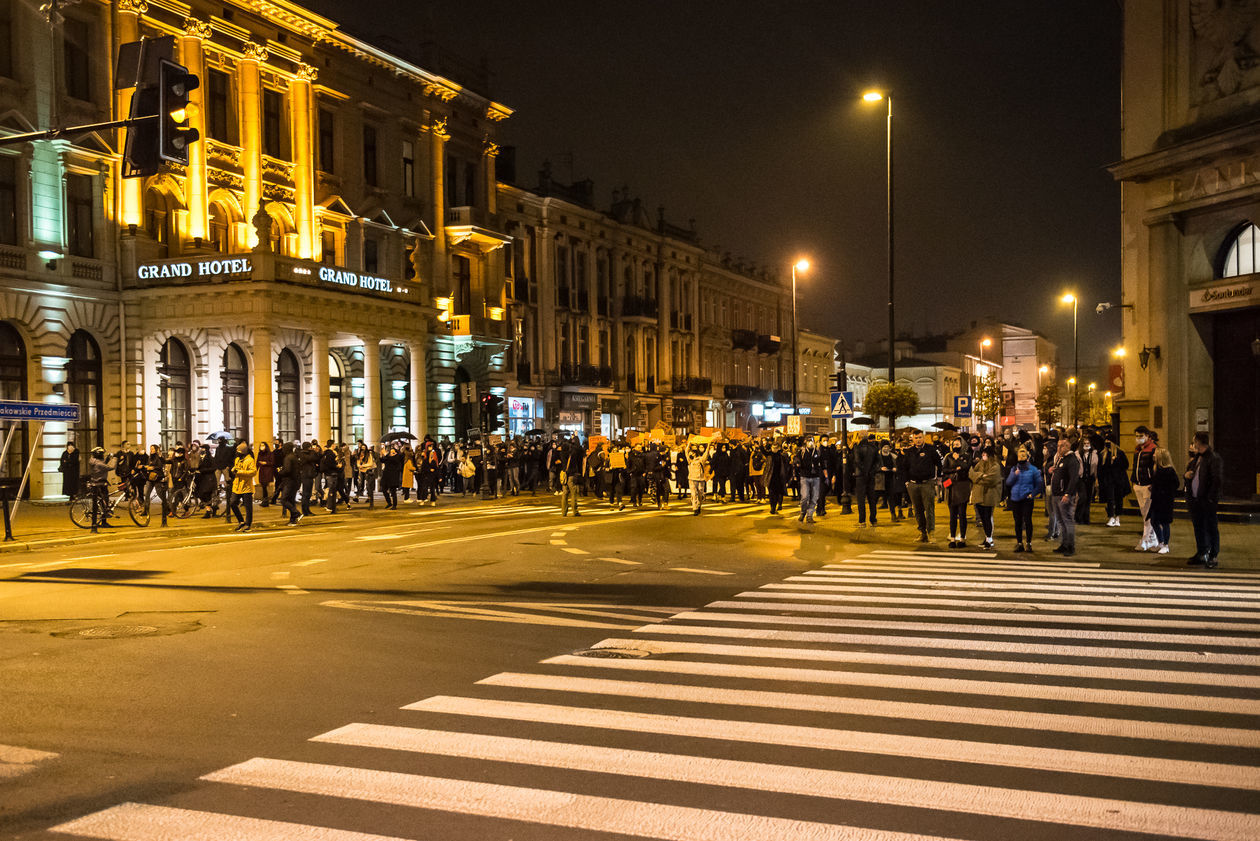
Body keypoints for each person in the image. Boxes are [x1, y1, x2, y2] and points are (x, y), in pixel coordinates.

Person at [1185, 431, 1223, 568]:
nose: (1193, 444)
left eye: (1194, 441)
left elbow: (1216, 480)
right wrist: (1187, 476)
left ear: (1199, 442)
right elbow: (1192, 474)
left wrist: (1210, 499)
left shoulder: (1213, 458)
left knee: (1211, 527)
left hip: (1206, 501)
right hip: (1196, 500)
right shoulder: (1197, 458)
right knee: (1199, 528)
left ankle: (1213, 555)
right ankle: (1201, 552)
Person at [904, 429, 941, 542]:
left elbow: (939, 463)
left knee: (929, 509)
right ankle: (922, 532)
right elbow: (904, 467)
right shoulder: (909, 451)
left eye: (920, 437)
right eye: (916, 438)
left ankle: (931, 533)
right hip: (913, 485)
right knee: (917, 510)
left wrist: (938, 478)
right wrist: (907, 481)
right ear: (912, 439)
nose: (918, 440)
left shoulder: (931, 449)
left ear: (923, 438)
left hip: (927, 483)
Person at [1048, 437, 1081, 556]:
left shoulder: (1072, 460)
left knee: (1067, 521)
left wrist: (1067, 493)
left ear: (1068, 447)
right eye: (1058, 446)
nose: (1059, 448)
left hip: (1064, 495)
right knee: (1061, 521)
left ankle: (1070, 546)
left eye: (1061, 446)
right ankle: (1064, 543)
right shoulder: (1061, 459)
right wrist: (1052, 470)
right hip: (1056, 494)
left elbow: (1073, 478)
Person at [1005, 446, 1042, 553]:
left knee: (1028, 521)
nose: (1021, 457)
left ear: (1027, 457)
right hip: (1016, 498)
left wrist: (1033, 494)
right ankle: (1019, 543)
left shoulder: (1033, 469)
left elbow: (1039, 484)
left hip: (1027, 499)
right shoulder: (1014, 469)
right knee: (1017, 522)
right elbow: (1008, 483)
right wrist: (1013, 475)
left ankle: (1029, 543)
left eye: (1024, 455)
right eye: (1020, 455)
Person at [1147, 447, 1179, 555]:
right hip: (1156, 500)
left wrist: (1164, 491)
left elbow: (1175, 484)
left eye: (1155, 454)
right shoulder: (1156, 468)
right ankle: (1160, 542)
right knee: (1154, 521)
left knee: (1165, 523)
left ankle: (1166, 544)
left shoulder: (1169, 470)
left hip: (1165, 501)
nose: (1153, 456)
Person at [1131, 425, 1158, 551]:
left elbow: (1156, 468)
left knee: (1147, 514)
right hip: (1139, 484)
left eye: (1141, 436)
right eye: (1136, 436)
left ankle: (1146, 540)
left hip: (1147, 485)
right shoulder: (1138, 450)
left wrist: (1153, 483)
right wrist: (1134, 481)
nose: (1138, 438)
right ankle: (1152, 538)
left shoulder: (1153, 449)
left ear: (1147, 436)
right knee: (1145, 513)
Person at [969, 444, 1001, 549]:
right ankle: (987, 538)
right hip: (978, 495)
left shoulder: (995, 466)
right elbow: (972, 474)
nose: (983, 456)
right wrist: (982, 476)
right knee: (983, 518)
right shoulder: (980, 464)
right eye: (982, 454)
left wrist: (978, 478)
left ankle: (989, 539)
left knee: (987, 517)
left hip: (989, 495)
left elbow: (992, 480)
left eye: (985, 454)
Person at [942, 438, 973, 548]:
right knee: (952, 515)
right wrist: (955, 469)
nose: (955, 446)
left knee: (962, 514)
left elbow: (966, 467)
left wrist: (958, 460)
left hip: (962, 486)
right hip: (951, 486)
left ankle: (962, 538)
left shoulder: (967, 456)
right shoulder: (948, 456)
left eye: (958, 444)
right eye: (954, 444)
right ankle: (952, 538)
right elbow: (944, 470)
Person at [792, 436, 827, 526]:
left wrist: (826, 476)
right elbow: (796, 459)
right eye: (808, 441)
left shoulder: (818, 452)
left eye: (811, 441)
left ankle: (810, 515)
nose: (810, 443)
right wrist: (797, 463)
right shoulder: (802, 452)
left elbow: (823, 465)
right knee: (805, 497)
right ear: (806, 443)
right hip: (805, 477)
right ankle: (803, 512)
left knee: (815, 497)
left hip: (816, 477)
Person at [1098, 435, 1130, 527]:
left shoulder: (1120, 453)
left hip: (1119, 479)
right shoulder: (1103, 454)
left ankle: (1117, 517)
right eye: (1106, 440)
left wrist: (1116, 461)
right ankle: (1111, 516)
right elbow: (1101, 468)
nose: (1107, 442)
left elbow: (1125, 465)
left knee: (1119, 498)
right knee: (1110, 498)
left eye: (1109, 440)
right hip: (1108, 479)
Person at [851, 433, 879, 527]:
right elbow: (878, 462)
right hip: (871, 476)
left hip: (860, 476)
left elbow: (857, 461)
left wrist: (864, 471)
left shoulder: (857, 448)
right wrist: (871, 471)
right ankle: (873, 519)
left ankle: (862, 521)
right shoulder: (874, 448)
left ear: (859, 438)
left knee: (861, 500)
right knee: (872, 499)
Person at [85, 446, 115, 533]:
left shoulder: (94, 461)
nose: (103, 455)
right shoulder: (98, 463)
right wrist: (115, 458)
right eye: (102, 454)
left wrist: (108, 458)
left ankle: (104, 522)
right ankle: (95, 526)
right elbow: (110, 467)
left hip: (97, 484)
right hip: (100, 484)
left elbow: (103, 465)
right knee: (104, 502)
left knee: (102, 503)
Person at [228, 441, 257, 532]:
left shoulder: (250, 460)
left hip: (246, 486)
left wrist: (240, 472)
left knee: (248, 507)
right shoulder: (237, 459)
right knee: (232, 503)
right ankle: (241, 521)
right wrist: (233, 470)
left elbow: (253, 472)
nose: (237, 453)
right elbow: (235, 467)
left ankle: (248, 524)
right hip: (237, 486)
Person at [560, 436, 584, 516]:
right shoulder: (572, 454)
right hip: (571, 475)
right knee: (573, 494)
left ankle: (564, 512)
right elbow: (580, 450)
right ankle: (575, 510)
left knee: (565, 494)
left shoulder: (562, 454)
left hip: (565, 475)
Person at [686, 441, 712, 515]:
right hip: (691, 479)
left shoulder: (701, 460)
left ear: (695, 453)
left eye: (692, 453)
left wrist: (708, 445)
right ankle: (695, 508)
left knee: (700, 494)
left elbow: (706, 454)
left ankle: (699, 505)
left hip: (700, 479)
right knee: (694, 494)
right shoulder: (690, 461)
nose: (691, 454)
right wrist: (688, 444)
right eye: (690, 453)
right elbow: (686, 452)